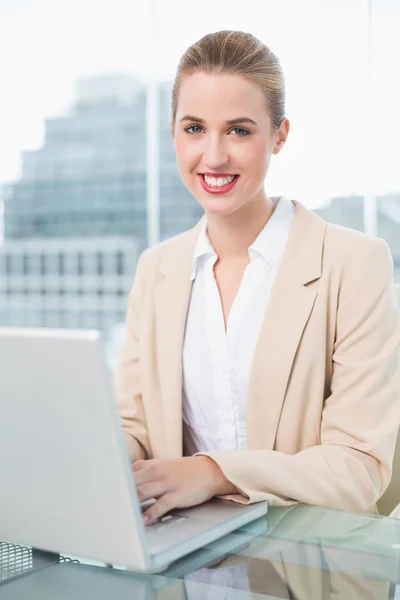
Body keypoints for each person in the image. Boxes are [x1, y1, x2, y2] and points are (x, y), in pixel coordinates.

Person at [115, 30, 400, 525]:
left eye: (239, 130)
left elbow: (360, 469)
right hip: (183, 560)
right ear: (173, 133)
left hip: (308, 570)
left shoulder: (353, 263)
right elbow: (134, 427)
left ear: (280, 136)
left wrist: (213, 471)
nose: (215, 156)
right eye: (194, 128)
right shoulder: (156, 269)